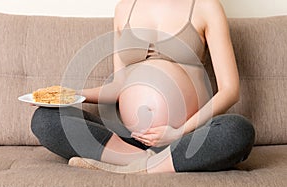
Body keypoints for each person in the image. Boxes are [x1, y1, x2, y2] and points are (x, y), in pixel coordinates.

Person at [31, 0, 255, 174]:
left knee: (238, 130)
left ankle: (137, 168)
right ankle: (142, 161)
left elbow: (229, 90)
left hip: (187, 138)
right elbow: (118, 87)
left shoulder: (205, 6)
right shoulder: (124, 8)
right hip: (128, 139)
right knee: (45, 119)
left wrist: (179, 131)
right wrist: (72, 95)